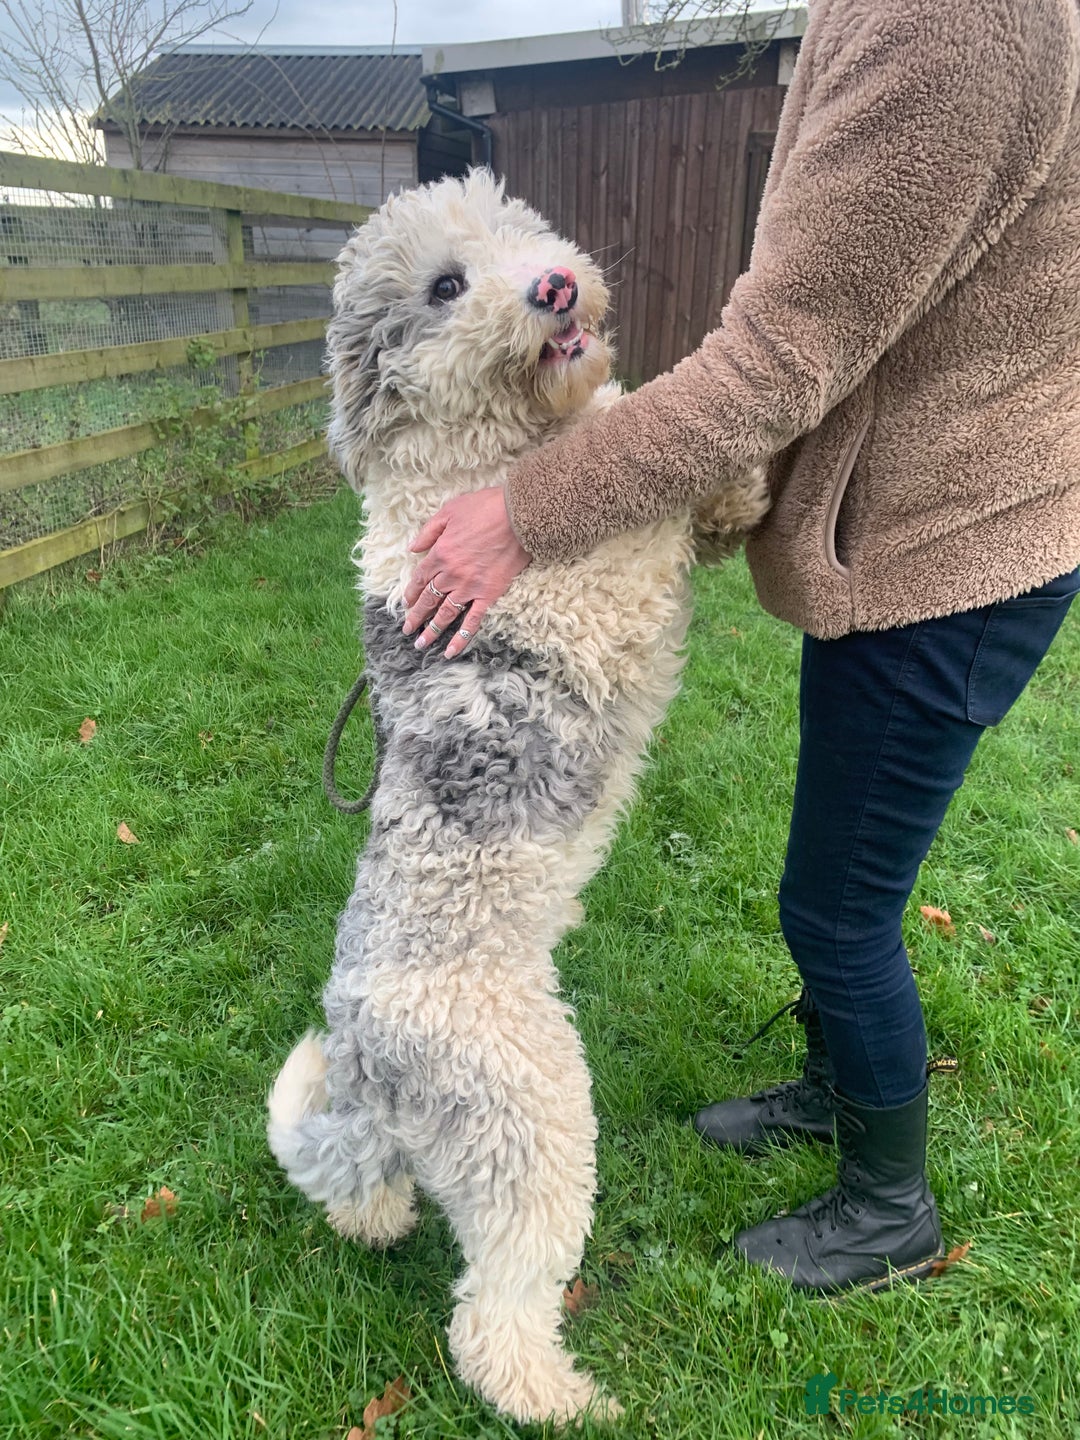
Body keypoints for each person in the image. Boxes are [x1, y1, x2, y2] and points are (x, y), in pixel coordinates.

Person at [399, 0, 1080, 1293]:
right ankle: (835, 1090)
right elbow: (836, 321)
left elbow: (779, 360)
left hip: (958, 553)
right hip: (916, 529)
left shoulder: (957, 19)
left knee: (839, 907)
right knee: (839, 879)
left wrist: (527, 516)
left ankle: (890, 1210)